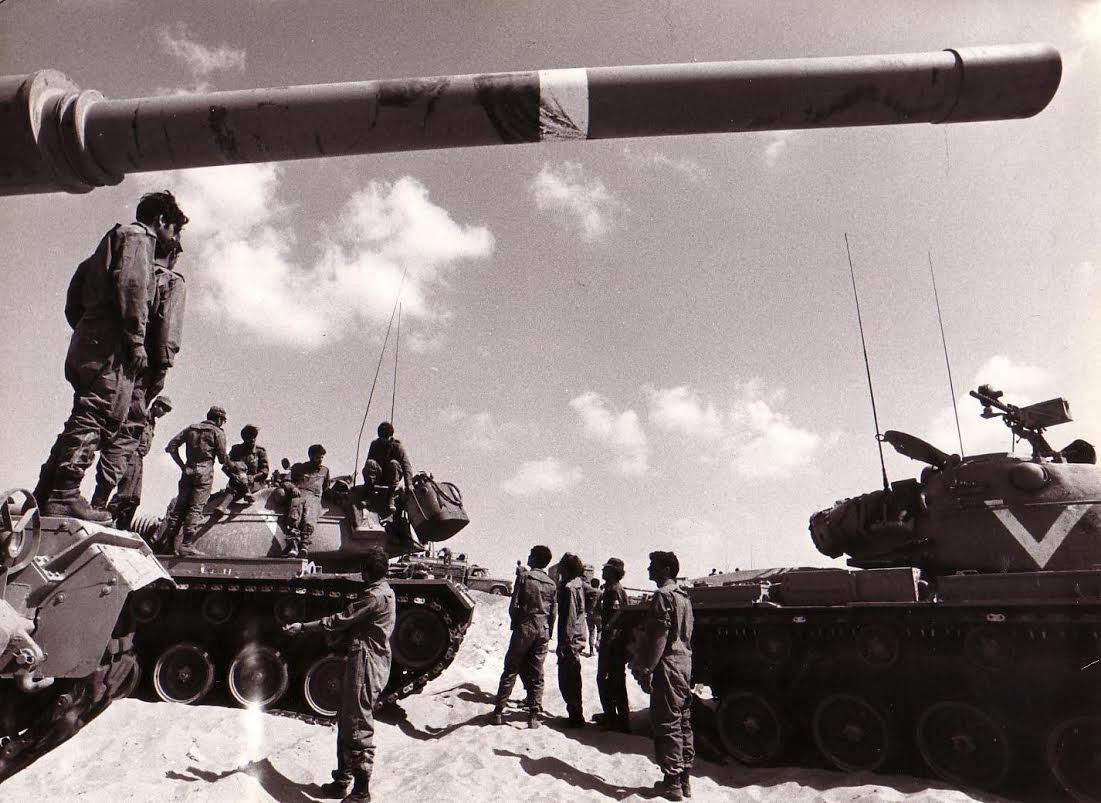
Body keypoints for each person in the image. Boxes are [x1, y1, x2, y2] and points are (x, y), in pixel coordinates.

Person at [33, 191, 188, 520]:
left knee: (82, 414)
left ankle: (46, 491)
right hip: (112, 349)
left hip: (89, 340)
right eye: (174, 230)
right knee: (96, 415)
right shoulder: (140, 239)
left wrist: (91, 329)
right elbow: (133, 290)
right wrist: (134, 341)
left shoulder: (109, 242)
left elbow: (74, 300)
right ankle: (63, 494)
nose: (173, 239)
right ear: (162, 220)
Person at [283, 545, 395, 803]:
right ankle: (342, 781)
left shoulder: (374, 597)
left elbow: (339, 620)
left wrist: (303, 626)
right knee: (347, 721)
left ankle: (361, 792)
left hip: (366, 663)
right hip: (365, 660)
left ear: (366, 572)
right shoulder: (384, 590)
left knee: (358, 724)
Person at [631, 551, 694, 801]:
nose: (649, 570)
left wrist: (647, 669)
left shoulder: (663, 596)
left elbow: (659, 637)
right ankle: (684, 780)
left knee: (666, 724)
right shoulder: (683, 597)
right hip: (683, 664)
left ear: (666, 569)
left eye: (653, 566)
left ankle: (672, 784)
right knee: (683, 722)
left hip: (667, 665)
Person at [491, 545, 557, 729]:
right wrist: (548, 631)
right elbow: (553, 612)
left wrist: (517, 623)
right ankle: (533, 716)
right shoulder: (552, 584)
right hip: (543, 629)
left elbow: (514, 606)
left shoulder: (524, 577)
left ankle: (498, 712)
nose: (528, 557)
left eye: (530, 555)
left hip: (525, 627)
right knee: (537, 672)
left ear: (534, 558)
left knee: (511, 668)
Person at [163, 405, 229, 556]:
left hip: (188, 471)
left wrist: (182, 465)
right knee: (195, 508)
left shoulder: (191, 428)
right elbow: (222, 459)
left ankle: (169, 544)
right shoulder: (217, 432)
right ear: (219, 419)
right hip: (204, 473)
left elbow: (171, 446)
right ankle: (186, 544)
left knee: (179, 508)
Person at [103, 394, 173, 530]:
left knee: (134, 498)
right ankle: (107, 519)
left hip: (139, 459)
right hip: (131, 455)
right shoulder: (142, 416)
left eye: (167, 411)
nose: (164, 413)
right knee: (125, 494)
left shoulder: (152, 422)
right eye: (163, 409)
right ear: (156, 405)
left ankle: (122, 528)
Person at [595, 557, 631, 733]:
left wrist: (607, 634)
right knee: (612, 679)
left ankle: (616, 718)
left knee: (609, 678)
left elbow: (618, 615)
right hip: (612, 640)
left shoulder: (615, 590)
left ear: (613, 572)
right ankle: (612, 715)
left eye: (606, 569)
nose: (603, 571)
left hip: (613, 642)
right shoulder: (610, 589)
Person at [555, 552, 588, 728]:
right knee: (573, 678)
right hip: (576, 639)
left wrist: (564, 644)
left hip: (571, 641)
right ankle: (576, 714)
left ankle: (576, 716)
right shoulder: (577, 585)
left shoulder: (570, 588)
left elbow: (569, 618)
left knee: (568, 680)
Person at [283, 444, 330, 557]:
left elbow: (326, 489)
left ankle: (304, 545)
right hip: (299, 494)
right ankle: (293, 545)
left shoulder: (325, 471)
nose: (320, 460)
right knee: (294, 516)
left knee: (309, 519)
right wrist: (293, 488)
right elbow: (286, 481)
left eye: (322, 457)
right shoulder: (298, 468)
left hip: (314, 496)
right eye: (318, 457)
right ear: (311, 456)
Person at [360, 421, 414, 514]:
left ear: (391, 436)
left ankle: (390, 497)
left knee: (394, 463)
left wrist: (409, 484)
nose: (384, 440)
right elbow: (368, 464)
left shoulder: (397, 446)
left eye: (386, 438)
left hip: (391, 477)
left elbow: (406, 465)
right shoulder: (375, 445)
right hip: (378, 476)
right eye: (382, 438)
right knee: (370, 463)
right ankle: (369, 495)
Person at [223, 424, 269, 504]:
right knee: (239, 469)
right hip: (236, 483)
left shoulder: (260, 451)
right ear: (244, 439)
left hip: (255, 484)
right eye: (249, 438)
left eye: (254, 437)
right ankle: (223, 505)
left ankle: (247, 493)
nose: (252, 440)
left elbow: (264, 471)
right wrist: (234, 476)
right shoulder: (236, 450)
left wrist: (253, 477)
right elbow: (226, 467)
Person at [584, 577, 601, 656]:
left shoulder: (587, 592)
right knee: (600, 630)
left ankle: (591, 650)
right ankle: (597, 643)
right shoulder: (600, 592)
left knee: (591, 632)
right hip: (598, 614)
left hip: (589, 614)